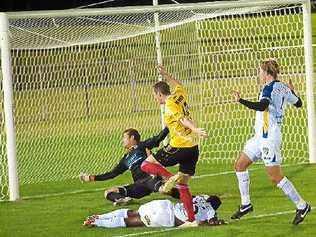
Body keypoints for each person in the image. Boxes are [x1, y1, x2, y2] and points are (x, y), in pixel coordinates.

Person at [231, 58, 311, 225]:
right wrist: (292, 92)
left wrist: (241, 101)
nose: (258, 74)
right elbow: (299, 103)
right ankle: (246, 204)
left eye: (260, 71)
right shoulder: (282, 87)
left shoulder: (268, 88)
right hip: (259, 137)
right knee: (240, 165)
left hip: (269, 139)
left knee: (275, 177)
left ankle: (302, 205)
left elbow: (262, 106)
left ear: (266, 73)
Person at [140, 65, 208, 227]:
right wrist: (166, 74)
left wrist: (194, 128)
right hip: (193, 148)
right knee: (183, 185)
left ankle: (168, 178)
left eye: (154, 96)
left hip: (179, 147)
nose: (155, 99)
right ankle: (191, 220)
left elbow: (182, 119)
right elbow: (178, 84)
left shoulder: (169, 104)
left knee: (146, 164)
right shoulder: (179, 94)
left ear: (159, 94)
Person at [79, 127, 180, 206]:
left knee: (165, 190)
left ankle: (191, 198)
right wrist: (92, 178)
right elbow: (112, 174)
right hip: (139, 186)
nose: (122, 140)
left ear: (132, 138)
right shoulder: (125, 159)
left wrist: (169, 126)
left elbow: (158, 138)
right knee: (108, 192)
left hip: (150, 178)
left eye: (124, 137)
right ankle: (123, 200)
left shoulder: (141, 146)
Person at [83, 194, 225, 228]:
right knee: (130, 222)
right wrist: (218, 222)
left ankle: (99, 216)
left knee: (131, 212)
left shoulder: (198, 198)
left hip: (165, 205)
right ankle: (97, 222)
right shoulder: (211, 210)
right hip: (167, 217)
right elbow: (212, 222)